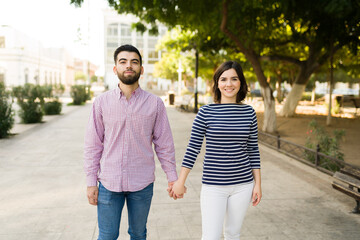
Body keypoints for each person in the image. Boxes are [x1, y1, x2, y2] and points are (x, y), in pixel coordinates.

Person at [84, 44, 178, 240]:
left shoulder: (155, 104)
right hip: (109, 183)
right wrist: (91, 182)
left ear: (141, 70)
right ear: (115, 68)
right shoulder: (101, 103)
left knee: (138, 234)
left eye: (134, 62)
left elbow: (164, 144)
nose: (129, 66)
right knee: (107, 236)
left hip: (142, 183)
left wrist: (172, 177)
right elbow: (93, 146)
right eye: (123, 62)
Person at [171, 60, 262, 239]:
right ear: (217, 84)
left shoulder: (249, 112)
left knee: (232, 234)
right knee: (210, 236)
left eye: (234, 79)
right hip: (214, 186)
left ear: (241, 83)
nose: (229, 84)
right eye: (224, 79)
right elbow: (192, 149)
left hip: (243, 184)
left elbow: (253, 150)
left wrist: (257, 184)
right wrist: (180, 181)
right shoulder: (205, 112)